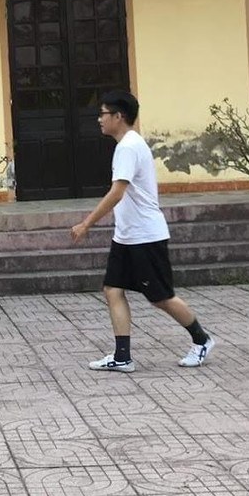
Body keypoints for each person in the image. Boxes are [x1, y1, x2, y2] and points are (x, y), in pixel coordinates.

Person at [69, 91, 214, 372]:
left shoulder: (128, 147)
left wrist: (86, 224)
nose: (99, 119)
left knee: (161, 297)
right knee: (112, 290)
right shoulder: (127, 145)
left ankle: (202, 339)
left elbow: (117, 193)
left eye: (103, 114)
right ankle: (122, 356)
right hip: (126, 236)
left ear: (118, 116)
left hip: (145, 236)